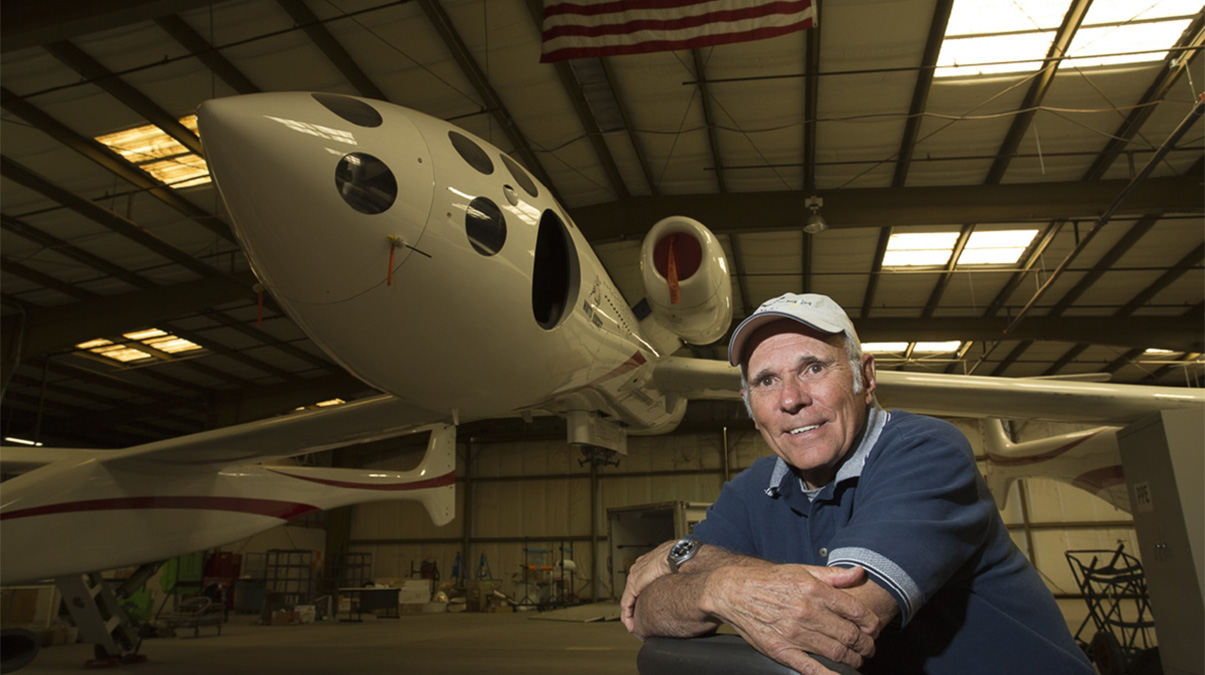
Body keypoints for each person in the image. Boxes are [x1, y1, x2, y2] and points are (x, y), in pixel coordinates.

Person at [621, 293, 1093, 675]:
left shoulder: (926, 451)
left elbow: (838, 615)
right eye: (766, 381)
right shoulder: (750, 490)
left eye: (813, 368)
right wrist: (716, 588)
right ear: (749, 406)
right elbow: (646, 613)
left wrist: (687, 561)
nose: (791, 399)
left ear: (865, 377)